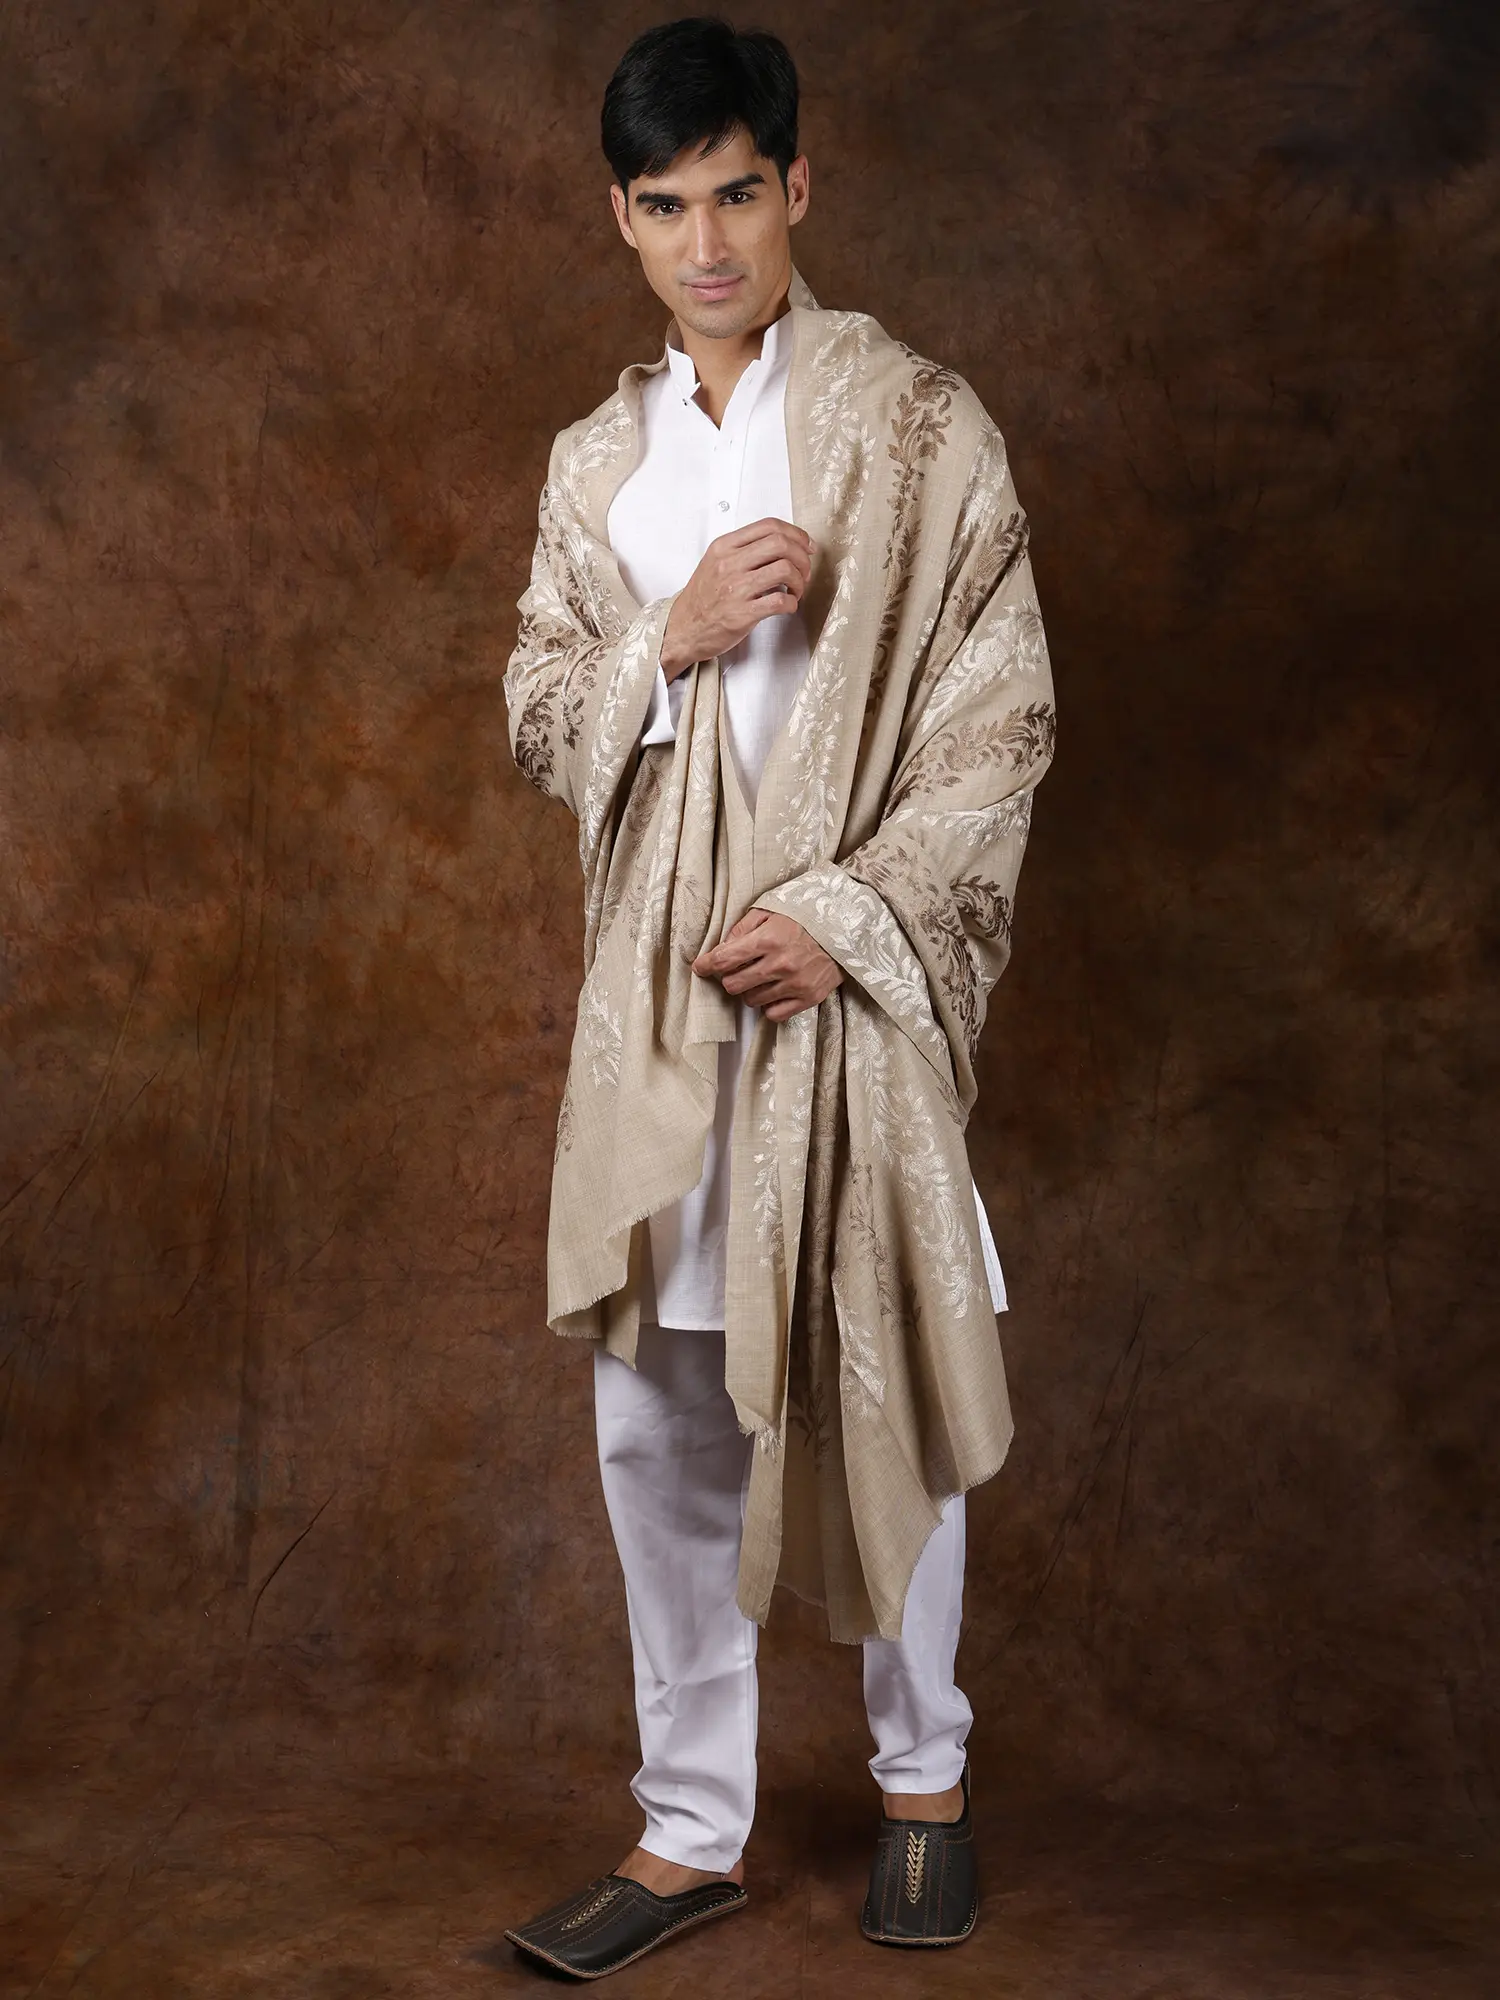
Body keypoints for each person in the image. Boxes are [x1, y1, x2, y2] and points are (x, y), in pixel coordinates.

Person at [501, 16, 1055, 1980]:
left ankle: (926, 1783)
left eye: (740, 193)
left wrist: (850, 915)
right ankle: (687, 1825)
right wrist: (668, 634)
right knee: (656, 1412)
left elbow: (999, 724)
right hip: (666, 1011)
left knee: (880, 1359)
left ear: (797, 185)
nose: (709, 242)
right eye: (667, 207)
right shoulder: (600, 466)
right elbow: (538, 709)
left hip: (847, 999)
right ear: (623, 220)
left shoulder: (918, 427)